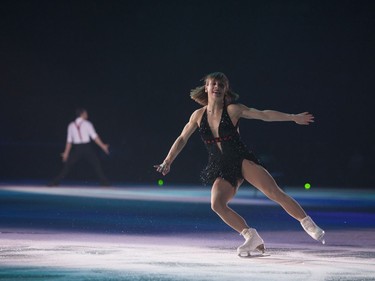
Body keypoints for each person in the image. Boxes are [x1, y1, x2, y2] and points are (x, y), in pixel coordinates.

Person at [155, 72, 325, 257]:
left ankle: (307, 223)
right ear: (206, 87)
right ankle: (251, 237)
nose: (217, 87)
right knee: (217, 204)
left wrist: (292, 116)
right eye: (213, 84)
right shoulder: (198, 115)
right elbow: (182, 138)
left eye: (221, 85)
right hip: (220, 165)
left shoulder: (233, 110)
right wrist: (167, 160)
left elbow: (263, 115)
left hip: (241, 159)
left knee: (274, 192)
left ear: (226, 89)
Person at [48, 108, 110, 187]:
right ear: (82, 114)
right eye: (86, 113)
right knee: (96, 164)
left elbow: (69, 141)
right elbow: (94, 137)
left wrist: (66, 153)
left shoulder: (71, 125)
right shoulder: (87, 124)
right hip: (86, 147)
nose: (87, 115)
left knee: (68, 166)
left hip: (77, 148)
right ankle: (104, 182)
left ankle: (55, 182)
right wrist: (103, 146)